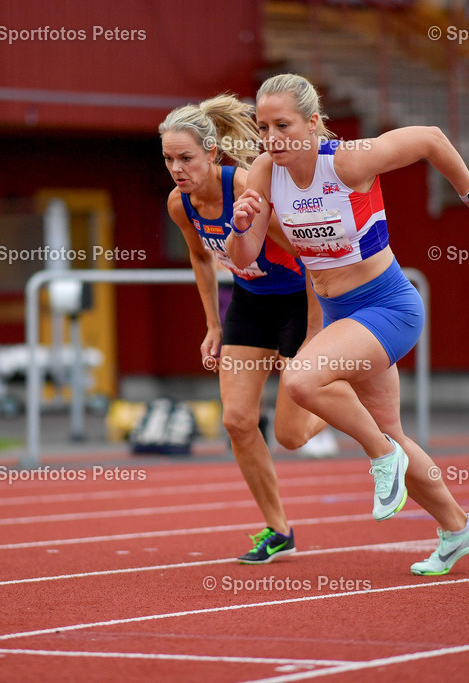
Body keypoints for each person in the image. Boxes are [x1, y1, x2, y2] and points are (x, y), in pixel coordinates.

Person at [227, 73, 469, 576]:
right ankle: (457, 526)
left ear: (313, 124)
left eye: (283, 124)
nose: (272, 138)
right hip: (340, 314)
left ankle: (381, 458)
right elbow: (244, 257)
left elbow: (431, 139)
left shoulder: (348, 159)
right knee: (391, 430)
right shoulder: (266, 171)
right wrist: (241, 227)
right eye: (263, 126)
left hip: (388, 307)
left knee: (302, 378)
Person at [159, 94, 335, 565]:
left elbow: (307, 256)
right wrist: (213, 325)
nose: (177, 168)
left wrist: (317, 332)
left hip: (298, 301)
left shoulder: (247, 189)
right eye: (169, 159)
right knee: (237, 421)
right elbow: (201, 256)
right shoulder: (181, 204)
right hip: (251, 304)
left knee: (291, 436)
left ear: (212, 153)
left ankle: (347, 396)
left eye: (186, 158)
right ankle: (279, 529)